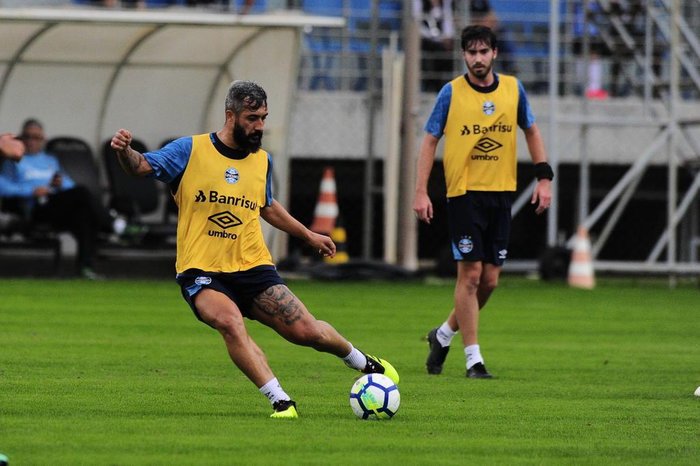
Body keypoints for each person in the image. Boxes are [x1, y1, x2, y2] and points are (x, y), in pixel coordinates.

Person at [109, 80, 399, 419]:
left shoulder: (262, 161)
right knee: (230, 322)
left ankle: (364, 362)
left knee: (307, 332)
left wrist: (309, 235)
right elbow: (140, 166)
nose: (259, 126)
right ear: (230, 116)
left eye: (263, 117)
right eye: (252, 118)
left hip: (252, 267)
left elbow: (266, 205)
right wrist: (123, 150)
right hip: (201, 270)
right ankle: (280, 400)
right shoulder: (189, 150)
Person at [413, 25, 552, 378]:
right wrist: (421, 191)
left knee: (490, 281)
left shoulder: (513, 89)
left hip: (501, 192)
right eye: (471, 53)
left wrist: (544, 178)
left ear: (494, 54)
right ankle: (473, 359)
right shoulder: (451, 93)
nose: (478, 58)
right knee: (471, 275)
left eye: (483, 52)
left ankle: (442, 335)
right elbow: (430, 141)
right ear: (464, 56)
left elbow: (531, 130)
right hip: (464, 194)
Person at [0, 119, 126, 280]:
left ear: (43, 140)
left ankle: (85, 268)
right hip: (35, 208)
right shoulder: (15, 159)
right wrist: (31, 191)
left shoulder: (49, 161)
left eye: (36, 137)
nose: (31, 141)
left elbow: (68, 184)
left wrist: (59, 185)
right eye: (27, 136)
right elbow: (2, 186)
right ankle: (114, 224)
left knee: (84, 214)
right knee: (82, 193)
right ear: (20, 138)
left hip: (56, 204)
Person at [415, 0, 455, 93]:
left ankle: (442, 88)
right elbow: (416, 21)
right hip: (424, 39)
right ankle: (429, 88)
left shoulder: (445, 2)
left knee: (446, 52)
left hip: (440, 41)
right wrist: (432, 36)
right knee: (429, 51)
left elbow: (447, 20)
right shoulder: (418, 2)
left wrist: (447, 36)